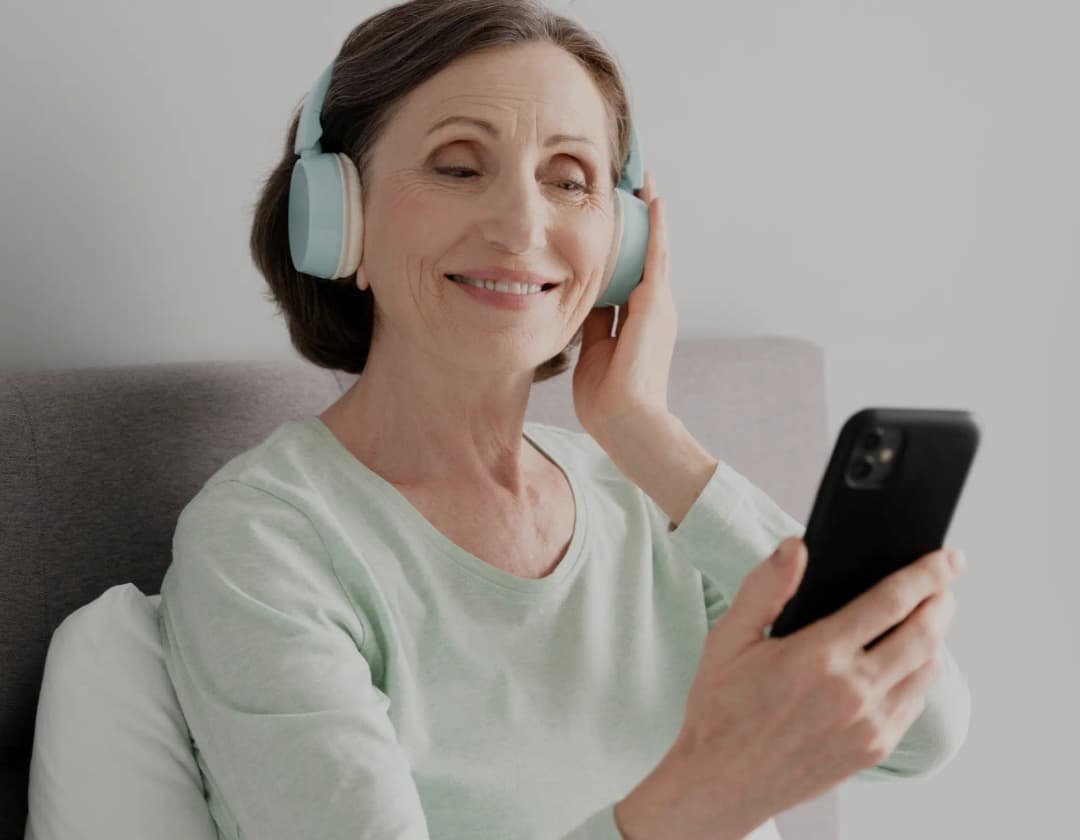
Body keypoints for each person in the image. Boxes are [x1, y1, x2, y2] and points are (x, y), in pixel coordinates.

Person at [158, 1, 971, 838]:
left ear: (622, 248)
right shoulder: (267, 542)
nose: (521, 225)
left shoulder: (649, 498)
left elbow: (923, 726)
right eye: (457, 166)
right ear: (336, 219)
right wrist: (696, 801)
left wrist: (647, 433)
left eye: (570, 179)